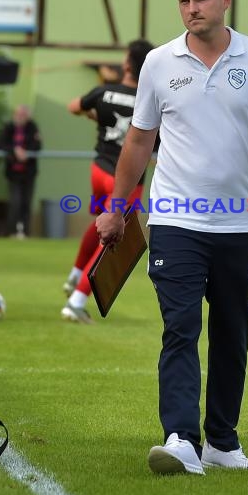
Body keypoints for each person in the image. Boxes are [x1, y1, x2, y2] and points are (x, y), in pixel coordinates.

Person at [96, 0, 248, 475]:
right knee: (182, 326)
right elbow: (139, 141)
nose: (193, 8)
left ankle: (222, 442)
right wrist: (118, 207)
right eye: (184, 1)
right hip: (174, 220)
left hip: (241, 225)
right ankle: (181, 440)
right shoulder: (157, 62)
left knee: (233, 333)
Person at [61, 39, 154, 324]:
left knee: (99, 223)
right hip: (126, 181)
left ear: (127, 64)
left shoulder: (104, 91)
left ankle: (75, 274)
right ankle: (77, 301)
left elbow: (73, 107)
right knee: (113, 238)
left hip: (99, 171)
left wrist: (97, 116)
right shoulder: (150, 101)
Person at [0, 105, 42, 238]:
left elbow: (37, 145)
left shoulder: (32, 127)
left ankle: (25, 232)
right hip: (13, 173)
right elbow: (0, 144)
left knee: (26, 202)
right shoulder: (9, 127)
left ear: (27, 116)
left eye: (23, 114)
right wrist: (15, 150)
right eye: (18, 114)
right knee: (15, 201)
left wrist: (26, 153)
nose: (20, 117)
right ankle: (12, 231)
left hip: (28, 173)